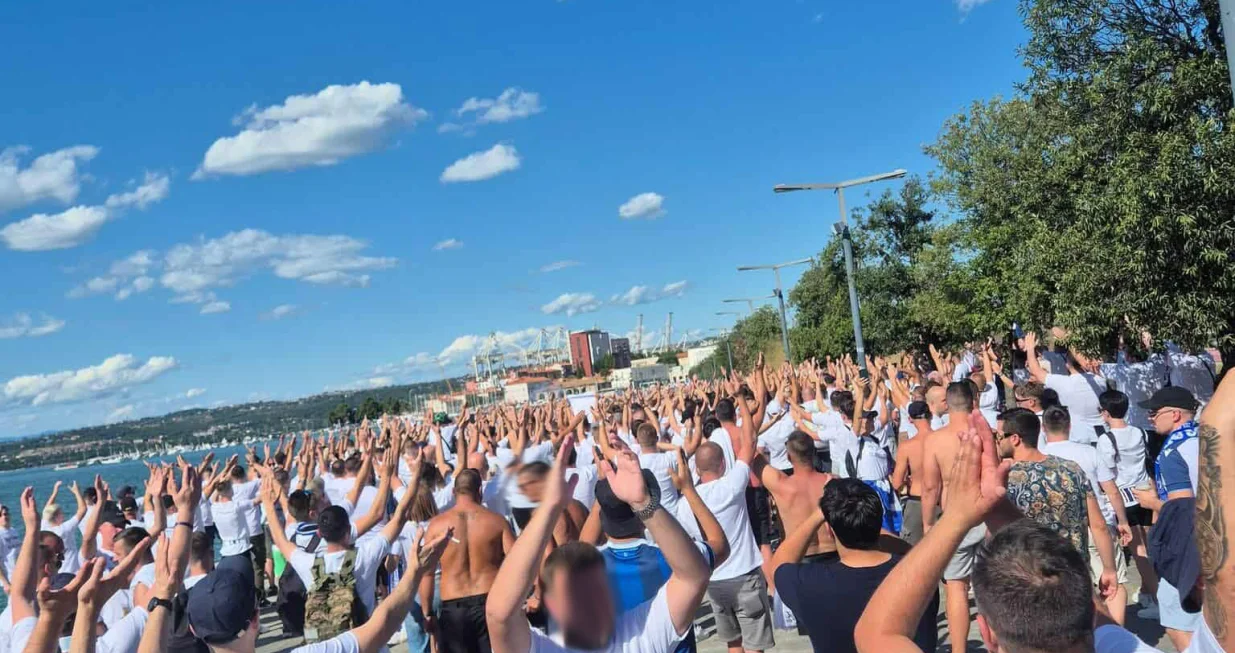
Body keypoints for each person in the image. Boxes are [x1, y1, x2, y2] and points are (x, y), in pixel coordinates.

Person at [855, 425, 1162, 653]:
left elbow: (876, 633)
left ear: (987, 633)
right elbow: (1099, 618)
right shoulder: (1121, 644)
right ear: (1088, 608)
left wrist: (955, 518)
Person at [485, 441, 711, 653]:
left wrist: (643, 504)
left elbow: (694, 576)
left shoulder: (639, 631)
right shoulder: (546, 648)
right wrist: (548, 509)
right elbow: (499, 615)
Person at [773, 477, 938, 653]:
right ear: (878, 522)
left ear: (829, 530)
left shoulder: (811, 585)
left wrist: (820, 513)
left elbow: (779, 565)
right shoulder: (920, 577)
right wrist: (868, 524)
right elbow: (911, 553)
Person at [686, 397, 775, 653]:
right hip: (745, 576)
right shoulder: (733, 485)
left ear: (697, 470)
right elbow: (750, 442)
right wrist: (742, 403)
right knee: (755, 643)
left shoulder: (687, 503)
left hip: (715, 580)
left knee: (733, 642)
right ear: (724, 463)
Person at [1038, 406, 1130, 622]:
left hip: (1059, 529)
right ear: (1069, 426)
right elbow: (1111, 490)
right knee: (1114, 582)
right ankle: (1116, 633)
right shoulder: (1089, 452)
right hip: (1098, 524)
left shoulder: (1041, 456)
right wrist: (1123, 520)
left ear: (1043, 428)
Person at [1131, 385, 1204, 649]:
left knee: (1177, 620)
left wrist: (1151, 502)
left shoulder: (1173, 452)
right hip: (1216, 537)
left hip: (1188, 545)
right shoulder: (1206, 439)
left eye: (1154, 412)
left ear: (1175, 414)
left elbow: (1182, 510)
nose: (1150, 418)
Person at [419, 468, 515, 653]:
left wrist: (427, 613)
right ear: (480, 491)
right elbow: (515, 565)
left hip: (453, 608)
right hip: (490, 602)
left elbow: (427, 573)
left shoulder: (437, 526)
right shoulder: (496, 521)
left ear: (453, 492)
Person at [921, 381, 986, 653]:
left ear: (946, 405)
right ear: (973, 401)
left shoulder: (935, 440)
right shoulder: (986, 434)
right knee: (992, 587)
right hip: (986, 514)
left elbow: (930, 487)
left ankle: (959, 650)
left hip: (955, 517)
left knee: (956, 587)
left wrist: (927, 524)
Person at [1096, 389, 1159, 617]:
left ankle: (1159, 600)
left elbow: (1107, 473)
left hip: (1125, 497)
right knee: (1148, 546)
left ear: (1105, 413)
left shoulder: (1106, 439)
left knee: (1139, 551)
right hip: (1145, 492)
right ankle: (1147, 591)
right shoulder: (1140, 432)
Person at [1024, 331, 1107, 445]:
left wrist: (1030, 348)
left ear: (1067, 364)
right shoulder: (1099, 380)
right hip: (1103, 437)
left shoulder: (1063, 383)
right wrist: (1069, 341)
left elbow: (1036, 371)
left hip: (1078, 439)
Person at [890, 401, 930, 545]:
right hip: (940, 501)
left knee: (912, 551)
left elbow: (896, 483)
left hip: (917, 501)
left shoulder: (907, 446)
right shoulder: (942, 440)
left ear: (910, 419)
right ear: (930, 415)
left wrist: (906, 481)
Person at [40, 481, 87, 574]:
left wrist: (55, 492)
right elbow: (82, 510)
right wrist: (77, 492)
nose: (63, 515)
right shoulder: (65, 529)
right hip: (71, 571)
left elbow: (46, 510)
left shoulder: (44, 529)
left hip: (55, 572)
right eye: (61, 513)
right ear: (56, 516)